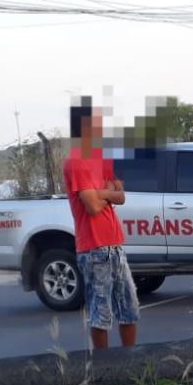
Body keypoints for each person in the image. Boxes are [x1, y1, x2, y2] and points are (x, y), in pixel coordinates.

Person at [63, 98, 139, 350]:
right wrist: (105, 194)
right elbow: (93, 207)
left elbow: (121, 195)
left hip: (115, 244)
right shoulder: (76, 161)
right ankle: (103, 368)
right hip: (94, 248)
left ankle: (130, 362)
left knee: (128, 307)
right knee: (101, 311)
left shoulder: (101, 158)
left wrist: (102, 192)